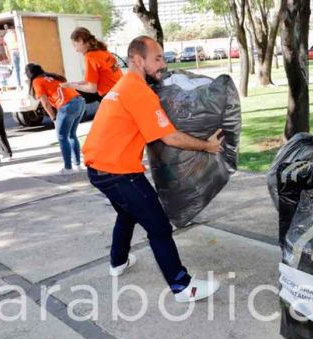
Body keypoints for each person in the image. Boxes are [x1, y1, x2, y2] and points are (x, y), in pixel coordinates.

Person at [83, 36, 223, 303]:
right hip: (118, 173)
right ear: (138, 60)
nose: (163, 63)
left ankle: (118, 262)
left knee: (126, 213)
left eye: (163, 58)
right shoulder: (137, 90)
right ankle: (182, 286)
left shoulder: (123, 85)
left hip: (97, 170)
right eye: (157, 58)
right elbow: (169, 137)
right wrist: (207, 146)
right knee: (159, 227)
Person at [26, 63, 84, 175]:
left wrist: (54, 118)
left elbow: (45, 104)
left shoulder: (36, 81)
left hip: (67, 105)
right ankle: (77, 165)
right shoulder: (52, 76)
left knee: (62, 136)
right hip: (80, 101)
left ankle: (68, 168)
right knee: (72, 134)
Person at [63, 27, 123, 120]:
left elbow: (92, 88)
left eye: (75, 45)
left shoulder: (90, 57)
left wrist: (70, 85)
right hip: (121, 92)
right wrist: (80, 83)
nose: (76, 50)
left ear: (81, 40)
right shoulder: (103, 51)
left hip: (111, 97)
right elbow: (103, 77)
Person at [2, 24, 21, 88]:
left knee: (16, 69)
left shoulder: (5, 37)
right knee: (21, 67)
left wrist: (8, 57)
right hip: (18, 50)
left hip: (12, 51)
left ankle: (19, 85)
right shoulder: (15, 33)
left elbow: (6, 49)